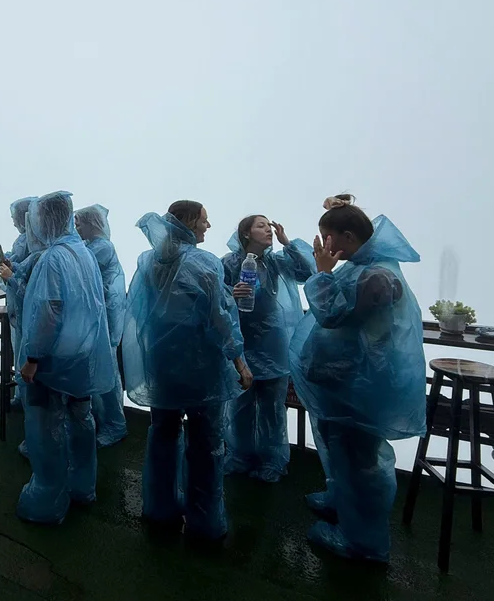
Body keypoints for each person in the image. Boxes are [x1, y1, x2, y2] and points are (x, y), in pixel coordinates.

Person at [289, 199, 426, 562]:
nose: (324, 245)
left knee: (360, 461)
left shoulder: (378, 277)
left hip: (362, 387)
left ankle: (361, 540)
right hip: (344, 382)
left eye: (327, 237)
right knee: (339, 450)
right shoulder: (361, 267)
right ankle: (340, 501)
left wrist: (320, 273)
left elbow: (333, 314)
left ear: (348, 237)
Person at [122, 200, 252, 541]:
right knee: (206, 442)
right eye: (204, 221)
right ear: (190, 221)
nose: (208, 227)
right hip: (199, 366)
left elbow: (139, 311)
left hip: (162, 364)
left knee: (163, 432)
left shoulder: (148, 260)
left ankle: (160, 508)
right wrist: (238, 359)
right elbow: (220, 317)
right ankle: (204, 522)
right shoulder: (203, 262)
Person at [16, 191, 117, 524]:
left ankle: (48, 498)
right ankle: (81, 486)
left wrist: (33, 357)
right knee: (80, 417)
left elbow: (49, 311)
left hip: (55, 359)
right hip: (80, 355)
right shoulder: (82, 252)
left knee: (48, 429)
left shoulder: (53, 258)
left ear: (45, 220)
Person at [221, 215, 314, 481]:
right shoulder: (229, 263)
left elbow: (308, 273)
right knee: (240, 405)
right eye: (261, 226)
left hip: (273, 344)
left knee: (273, 407)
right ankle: (240, 455)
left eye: (269, 226)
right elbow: (213, 296)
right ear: (246, 233)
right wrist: (230, 292)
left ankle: (272, 461)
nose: (268, 230)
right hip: (241, 341)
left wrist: (289, 243)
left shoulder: (275, 261)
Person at [74, 204, 128, 447]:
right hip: (98, 317)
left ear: (91, 224)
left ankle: (115, 424)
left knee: (106, 371)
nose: (76, 227)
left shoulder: (102, 247)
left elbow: (79, 272)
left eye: (79, 223)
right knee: (98, 369)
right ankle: (103, 418)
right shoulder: (90, 246)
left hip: (106, 316)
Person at [0, 196, 39, 412]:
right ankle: (22, 397)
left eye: (15, 217)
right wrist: (2, 261)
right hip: (20, 308)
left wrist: (9, 274)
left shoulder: (33, 244)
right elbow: (21, 265)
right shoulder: (28, 241)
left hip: (23, 307)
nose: (13, 222)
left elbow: (23, 274)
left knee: (27, 355)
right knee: (23, 354)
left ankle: (27, 402)